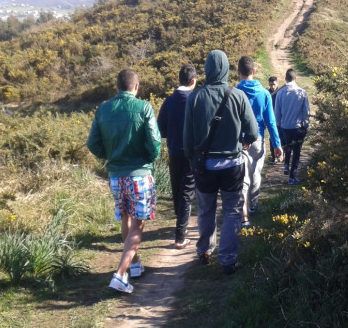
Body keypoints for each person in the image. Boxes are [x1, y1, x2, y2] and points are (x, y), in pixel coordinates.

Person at [86, 69, 162, 294]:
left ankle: (135, 264)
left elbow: (93, 143)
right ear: (136, 87)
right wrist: (148, 159)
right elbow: (155, 143)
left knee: (125, 219)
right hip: (139, 174)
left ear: (116, 88)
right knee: (138, 225)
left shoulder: (104, 109)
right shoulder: (144, 107)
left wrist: (109, 155)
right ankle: (120, 274)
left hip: (116, 176)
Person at [183, 50, 258, 275]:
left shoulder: (195, 97)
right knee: (232, 211)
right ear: (226, 69)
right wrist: (244, 142)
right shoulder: (237, 96)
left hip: (204, 167)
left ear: (206, 69)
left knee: (206, 210)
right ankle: (227, 260)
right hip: (232, 165)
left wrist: (192, 160)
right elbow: (253, 131)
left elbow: (188, 138)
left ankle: (204, 251)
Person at [236, 57, 282, 227]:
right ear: (254, 72)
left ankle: (243, 212)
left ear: (239, 72)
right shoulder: (264, 93)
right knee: (255, 173)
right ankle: (253, 205)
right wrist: (277, 144)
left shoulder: (235, 92)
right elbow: (271, 121)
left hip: (240, 140)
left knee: (243, 176)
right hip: (259, 139)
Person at [157, 64, 198, 249]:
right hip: (191, 152)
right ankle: (180, 236)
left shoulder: (169, 101)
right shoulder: (196, 99)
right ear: (192, 81)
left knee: (176, 189)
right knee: (187, 193)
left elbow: (161, 129)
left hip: (173, 151)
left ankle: (181, 222)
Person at [274, 68, 310, 185]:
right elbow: (306, 112)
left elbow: (277, 113)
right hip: (298, 127)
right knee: (297, 152)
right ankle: (292, 177)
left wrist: (278, 127)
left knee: (287, 147)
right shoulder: (302, 92)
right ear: (296, 78)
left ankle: (285, 166)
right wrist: (306, 126)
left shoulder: (280, 93)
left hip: (285, 126)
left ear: (285, 79)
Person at [267, 76, 279, 163]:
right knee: (272, 137)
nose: (272, 87)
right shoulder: (267, 93)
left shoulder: (280, 92)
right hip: (271, 119)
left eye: (274, 84)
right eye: (271, 85)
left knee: (281, 137)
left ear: (277, 83)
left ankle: (282, 154)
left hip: (280, 119)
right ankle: (274, 157)